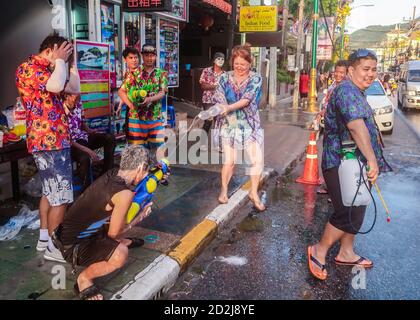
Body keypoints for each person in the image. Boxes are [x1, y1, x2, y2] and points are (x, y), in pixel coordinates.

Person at [307, 49, 391, 281]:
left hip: (356, 163)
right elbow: (356, 126)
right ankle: (319, 250)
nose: (371, 74)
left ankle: (346, 252)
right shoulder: (346, 91)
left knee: (359, 206)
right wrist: (372, 159)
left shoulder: (356, 91)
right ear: (352, 70)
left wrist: (370, 160)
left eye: (374, 69)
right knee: (347, 212)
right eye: (366, 69)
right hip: (341, 163)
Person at [51, 145, 153, 300]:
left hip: (65, 235)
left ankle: (120, 242)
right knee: (120, 254)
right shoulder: (124, 194)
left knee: (115, 225)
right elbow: (114, 233)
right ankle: (84, 279)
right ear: (140, 168)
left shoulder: (112, 174)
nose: (146, 176)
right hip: (73, 248)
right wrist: (139, 217)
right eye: (146, 172)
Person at [15, 33, 80, 262]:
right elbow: (54, 87)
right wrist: (61, 61)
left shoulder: (54, 69)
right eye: (64, 51)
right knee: (61, 196)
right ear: (52, 49)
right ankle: (55, 246)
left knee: (50, 192)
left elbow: (74, 88)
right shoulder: (29, 67)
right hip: (49, 140)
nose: (65, 57)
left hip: (52, 140)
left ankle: (44, 238)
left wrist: (72, 64)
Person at [213, 44, 265, 212]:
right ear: (232, 62)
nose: (240, 67)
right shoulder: (224, 77)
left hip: (249, 124)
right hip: (229, 124)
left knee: (256, 160)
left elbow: (247, 99)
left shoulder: (255, 78)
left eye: (243, 64)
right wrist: (221, 107)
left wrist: (228, 108)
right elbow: (219, 95)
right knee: (230, 161)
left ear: (250, 63)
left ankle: (253, 193)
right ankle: (223, 191)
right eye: (237, 63)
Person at [118, 45, 168, 161]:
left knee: (159, 149)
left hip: (155, 117)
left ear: (155, 57)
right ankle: (140, 176)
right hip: (136, 119)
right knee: (137, 151)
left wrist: (150, 99)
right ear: (143, 56)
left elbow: (162, 92)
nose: (149, 58)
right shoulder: (133, 73)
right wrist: (130, 105)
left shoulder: (161, 74)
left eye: (152, 55)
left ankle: (161, 174)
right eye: (146, 55)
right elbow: (121, 91)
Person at [63, 93, 116, 192]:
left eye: (79, 96)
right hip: (71, 144)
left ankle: (107, 173)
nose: (78, 99)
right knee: (85, 158)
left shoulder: (78, 104)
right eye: (75, 96)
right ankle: (86, 189)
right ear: (67, 96)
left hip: (83, 137)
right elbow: (67, 139)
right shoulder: (60, 110)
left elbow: (82, 123)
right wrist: (89, 151)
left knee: (110, 138)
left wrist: (90, 131)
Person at [199, 52, 226, 151]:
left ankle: (217, 145)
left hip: (220, 101)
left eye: (222, 59)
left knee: (218, 123)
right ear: (214, 60)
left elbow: (225, 88)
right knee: (208, 121)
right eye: (218, 59)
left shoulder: (224, 74)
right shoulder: (206, 71)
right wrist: (217, 86)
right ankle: (203, 143)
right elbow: (203, 86)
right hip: (208, 100)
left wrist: (211, 86)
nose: (221, 61)